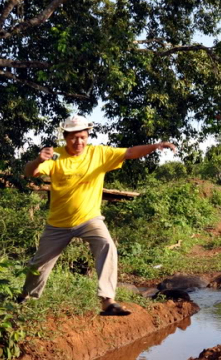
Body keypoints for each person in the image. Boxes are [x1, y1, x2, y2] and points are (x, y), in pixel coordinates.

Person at [18, 115, 177, 316]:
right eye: (74, 138)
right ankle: (25, 298)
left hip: (89, 218)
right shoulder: (56, 156)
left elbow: (129, 152)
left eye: (83, 137)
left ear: (88, 136)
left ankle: (107, 301)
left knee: (107, 245)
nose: (79, 142)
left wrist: (155, 146)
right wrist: (38, 160)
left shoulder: (99, 153)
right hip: (58, 223)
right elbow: (29, 172)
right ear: (65, 137)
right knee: (39, 264)